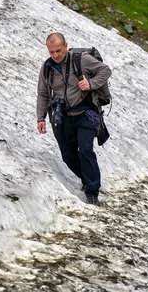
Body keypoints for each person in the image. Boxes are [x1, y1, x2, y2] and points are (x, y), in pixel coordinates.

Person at [36, 33, 112, 206]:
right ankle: (87, 179)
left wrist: (91, 84)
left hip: (86, 112)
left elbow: (105, 70)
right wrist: (40, 117)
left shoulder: (81, 59)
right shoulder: (47, 67)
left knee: (85, 149)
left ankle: (92, 191)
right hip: (63, 116)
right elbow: (43, 93)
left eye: (58, 51)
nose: (55, 55)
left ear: (66, 46)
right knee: (68, 156)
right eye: (51, 52)